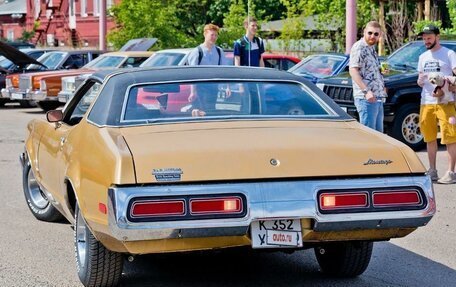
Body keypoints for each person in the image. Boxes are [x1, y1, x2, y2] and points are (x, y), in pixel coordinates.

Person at [416, 24, 456, 184]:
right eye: (424, 38)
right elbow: (421, 78)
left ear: (437, 37)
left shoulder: (449, 53)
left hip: (445, 102)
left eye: (429, 37)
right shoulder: (423, 57)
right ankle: (432, 170)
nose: (426, 40)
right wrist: (419, 81)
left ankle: (451, 172)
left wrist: (451, 84)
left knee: (450, 137)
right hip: (426, 102)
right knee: (429, 137)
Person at [349, 21, 387, 133]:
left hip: (378, 97)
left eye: (376, 34)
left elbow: (367, 70)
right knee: (370, 136)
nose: (372, 36)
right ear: (364, 32)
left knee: (378, 136)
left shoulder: (371, 48)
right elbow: (353, 70)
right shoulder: (359, 47)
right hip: (366, 99)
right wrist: (366, 91)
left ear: (380, 35)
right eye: (370, 33)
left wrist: (380, 72)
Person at [187, 23, 228, 114]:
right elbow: (192, 74)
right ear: (205, 34)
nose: (214, 37)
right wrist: (193, 92)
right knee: (202, 111)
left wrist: (227, 87)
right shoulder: (197, 51)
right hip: (200, 87)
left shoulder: (219, 51)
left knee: (211, 110)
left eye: (216, 35)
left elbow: (224, 70)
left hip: (213, 86)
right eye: (212, 35)